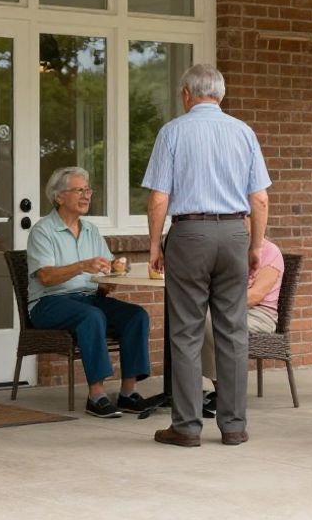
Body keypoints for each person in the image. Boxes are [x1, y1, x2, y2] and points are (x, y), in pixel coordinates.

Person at [143, 64, 270, 447]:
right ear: (220, 94)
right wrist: (255, 246)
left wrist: (153, 244)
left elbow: (159, 197)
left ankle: (186, 427)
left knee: (186, 332)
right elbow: (260, 198)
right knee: (232, 330)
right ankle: (233, 426)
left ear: (186, 94)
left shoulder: (173, 132)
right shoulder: (243, 132)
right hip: (234, 231)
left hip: (189, 233)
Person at [26, 167, 151, 418]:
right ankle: (96, 395)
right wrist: (83, 265)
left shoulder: (91, 230)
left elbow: (106, 274)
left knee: (136, 315)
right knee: (92, 316)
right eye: (79, 190)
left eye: (88, 190)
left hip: (89, 298)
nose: (86, 196)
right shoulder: (43, 230)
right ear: (59, 196)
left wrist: (114, 274)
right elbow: (46, 277)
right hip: (49, 303)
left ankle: (128, 392)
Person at [201, 228, 283, 416]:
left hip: (260, 314)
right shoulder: (229, 249)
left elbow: (255, 296)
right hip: (226, 309)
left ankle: (226, 392)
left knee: (209, 321)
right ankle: (220, 390)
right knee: (195, 318)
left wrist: (219, 302)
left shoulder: (270, 251)